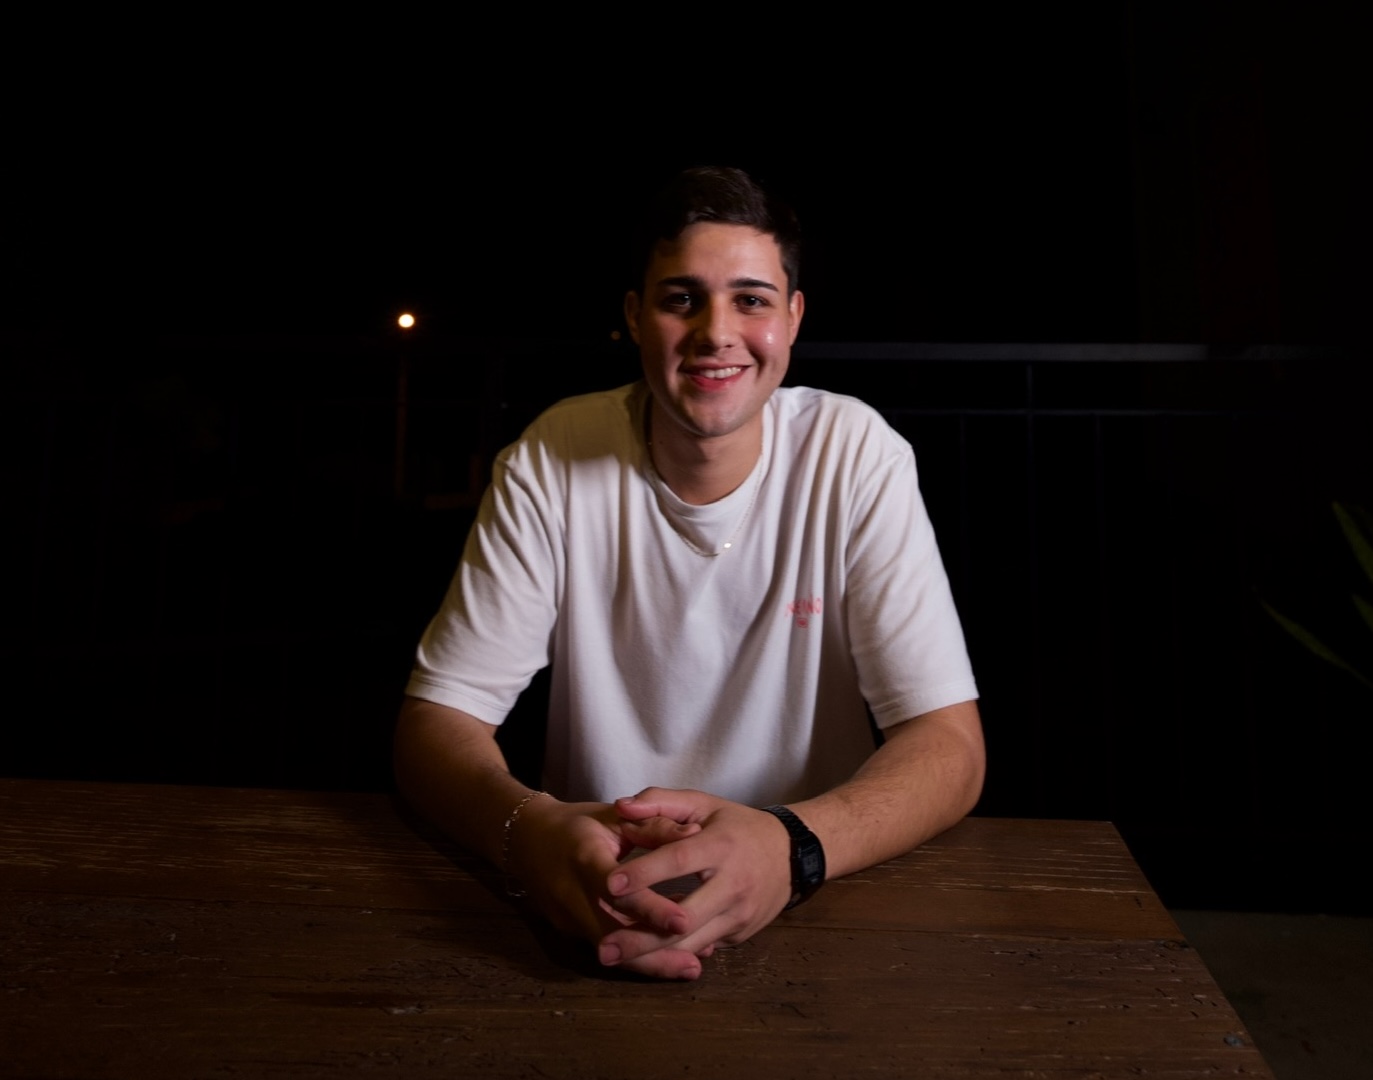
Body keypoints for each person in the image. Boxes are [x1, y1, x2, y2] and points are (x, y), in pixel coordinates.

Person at [395, 166, 983, 981]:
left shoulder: (855, 453)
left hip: (822, 901)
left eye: (750, 299)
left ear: (792, 318)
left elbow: (949, 746)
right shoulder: (549, 458)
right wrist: (529, 830)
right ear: (635, 317)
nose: (716, 332)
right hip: (601, 897)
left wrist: (791, 846)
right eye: (681, 299)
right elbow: (436, 727)